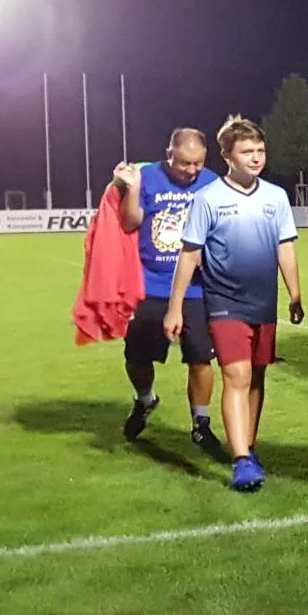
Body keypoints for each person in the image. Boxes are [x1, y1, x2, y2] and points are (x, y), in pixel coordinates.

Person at [170, 117, 305, 492]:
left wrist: (294, 294)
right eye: (247, 151)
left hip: (264, 302)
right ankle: (241, 459)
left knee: (257, 377)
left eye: (260, 150)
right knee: (237, 376)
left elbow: (285, 246)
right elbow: (190, 254)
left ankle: (249, 445)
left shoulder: (275, 196)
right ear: (227, 156)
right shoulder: (208, 198)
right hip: (224, 302)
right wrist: (175, 307)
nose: (256, 157)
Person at [110, 129, 221, 446]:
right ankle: (145, 400)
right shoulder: (146, 177)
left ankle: (201, 423)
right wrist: (132, 188)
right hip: (150, 285)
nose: (192, 170)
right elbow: (129, 222)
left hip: (197, 288)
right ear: (169, 154)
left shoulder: (213, 183)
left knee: (200, 357)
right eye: (185, 163)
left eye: (198, 163)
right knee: (137, 356)